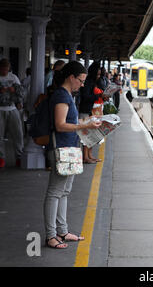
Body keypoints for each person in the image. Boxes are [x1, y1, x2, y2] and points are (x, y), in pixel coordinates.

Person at [44, 61, 102, 249]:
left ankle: (62, 230)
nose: (83, 84)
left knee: (65, 191)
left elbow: (70, 120)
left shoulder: (67, 95)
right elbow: (60, 125)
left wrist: (88, 121)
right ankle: (51, 235)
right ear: (71, 78)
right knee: (55, 192)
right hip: (61, 148)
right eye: (81, 80)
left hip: (70, 147)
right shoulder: (61, 96)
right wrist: (84, 125)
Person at [0, 59, 24, 168]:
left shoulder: (14, 77)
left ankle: (19, 157)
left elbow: (20, 92)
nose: (5, 71)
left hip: (12, 108)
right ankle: (1, 158)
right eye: (3, 69)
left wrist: (17, 99)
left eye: (7, 69)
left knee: (18, 133)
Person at [79, 62, 106, 164]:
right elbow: (86, 97)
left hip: (90, 111)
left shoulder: (93, 82)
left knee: (91, 135)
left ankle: (89, 155)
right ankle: (85, 157)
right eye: (97, 74)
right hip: (85, 110)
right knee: (86, 135)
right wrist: (99, 96)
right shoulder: (88, 83)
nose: (99, 77)